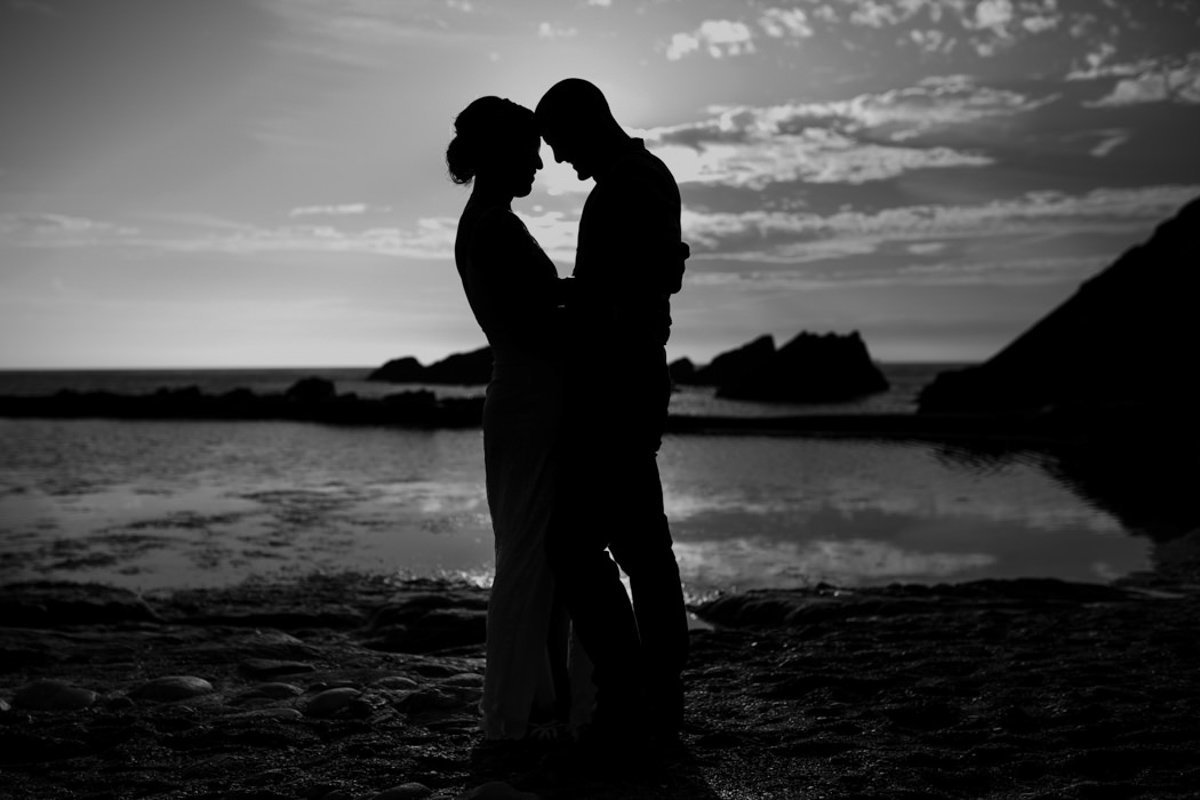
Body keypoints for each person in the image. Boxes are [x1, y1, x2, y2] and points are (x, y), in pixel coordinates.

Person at [534, 78, 690, 742]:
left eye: (561, 143)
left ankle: (632, 692)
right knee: (637, 544)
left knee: (579, 544)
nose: (560, 160)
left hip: (616, 385)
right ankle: (651, 695)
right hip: (629, 378)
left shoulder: (628, 183)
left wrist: (566, 302)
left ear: (588, 122)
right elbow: (653, 275)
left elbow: (638, 287)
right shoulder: (645, 174)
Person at [447, 96, 581, 741]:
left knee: (536, 552)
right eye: (529, 149)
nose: (539, 162)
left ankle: (537, 696)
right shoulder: (494, 227)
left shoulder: (485, 220)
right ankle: (518, 708)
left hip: (520, 395)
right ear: (502, 154)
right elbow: (540, 324)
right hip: (531, 400)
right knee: (531, 553)